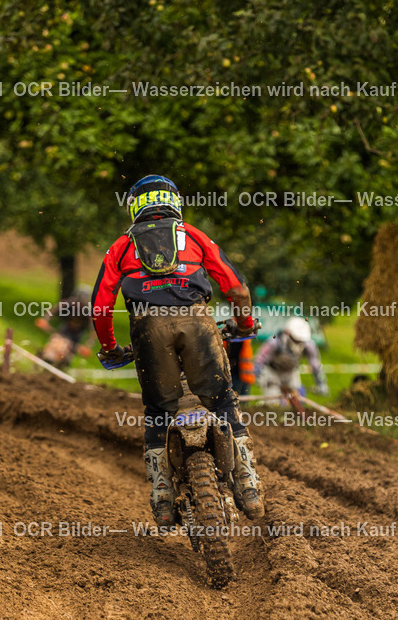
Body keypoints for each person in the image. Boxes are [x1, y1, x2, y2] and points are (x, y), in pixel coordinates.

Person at [91, 174, 264, 526]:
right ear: (174, 202)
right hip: (198, 324)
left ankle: (163, 498)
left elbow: (100, 306)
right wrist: (244, 324)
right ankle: (249, 487)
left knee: (158, 410)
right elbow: (237, 289)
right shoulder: (194, 235)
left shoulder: (121, 246)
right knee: (223, 402)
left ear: (135, 206)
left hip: (147, 331)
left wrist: (110, 348)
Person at [254, 316, 329, 400]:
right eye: (296, 340)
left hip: (291, 373)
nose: (298, 343)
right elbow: (260, 359)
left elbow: (315, 365)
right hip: (273, 373)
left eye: (301, 341)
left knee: (298, 399)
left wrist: (321, 382)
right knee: (273, 401)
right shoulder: (274, 343)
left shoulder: (308, 345)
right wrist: (258, 375)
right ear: (288, 333)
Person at [35, 285, 96, 366]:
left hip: (76, 337)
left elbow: (94, 331)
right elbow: (55, 309)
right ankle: (44, 360)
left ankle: (60, 365)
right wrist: (45, 319)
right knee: (54, 345)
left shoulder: (89, 313)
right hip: (64, 331)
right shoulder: (69, 303)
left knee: (64, 356)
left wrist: (88, 346)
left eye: (82, 301)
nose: (80, 304)